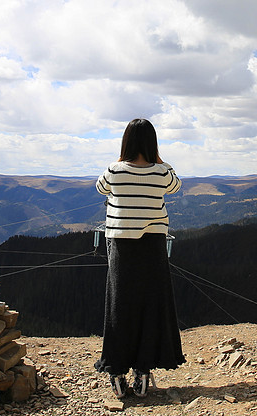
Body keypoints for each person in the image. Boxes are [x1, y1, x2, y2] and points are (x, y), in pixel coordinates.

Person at [93, 118, 185, 398]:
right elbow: (176, 187)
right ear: (152, 143)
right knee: (150, 305)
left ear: (126, 142)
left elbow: (100, 188)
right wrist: (160, 160)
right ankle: (143, 371)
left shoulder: (114, 170)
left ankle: (116, 373)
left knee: (120, 305)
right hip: (153, 244)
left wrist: (121, 161)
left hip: (120, 245)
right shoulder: (161, 172)